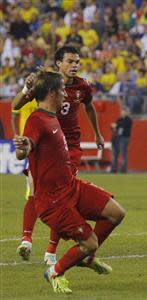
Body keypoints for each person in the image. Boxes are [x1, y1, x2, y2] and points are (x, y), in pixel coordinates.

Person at [13, 70, 125, 294]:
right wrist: (24, 145)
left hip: (71, 187)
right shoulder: (37, 119)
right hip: (53, 201)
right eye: (62, 90)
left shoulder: (52, 117)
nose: (66, 93)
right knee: (90, 242)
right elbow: (26, 147)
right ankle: (55, 271)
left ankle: (86, 257)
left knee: (116, 212)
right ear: (53, 93)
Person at [12, 46, 105, 265]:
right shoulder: (46, 84)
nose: (75, 66)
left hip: (69, 147)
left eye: (77, 62)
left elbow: (89, 107)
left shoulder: (82, 86)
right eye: (70, 61)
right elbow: (16, 104)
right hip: (44, 143)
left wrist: (98, 133)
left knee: (64, 196)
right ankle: (26, 239)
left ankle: (51, 251)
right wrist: (27, 89)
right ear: (58, 64)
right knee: (33, 188)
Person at [110, 107, 133, 173]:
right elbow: (113, 127)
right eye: (123, 111)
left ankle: (123, 169)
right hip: (116, 139)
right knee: (115, 154)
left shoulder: (128, 120)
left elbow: (122, 126)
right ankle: (113, 169)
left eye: (125, 111)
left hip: (124, 138)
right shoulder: (119, 119)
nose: (123, 113)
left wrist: (116, 126)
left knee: (123, 154)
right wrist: (115, 126)